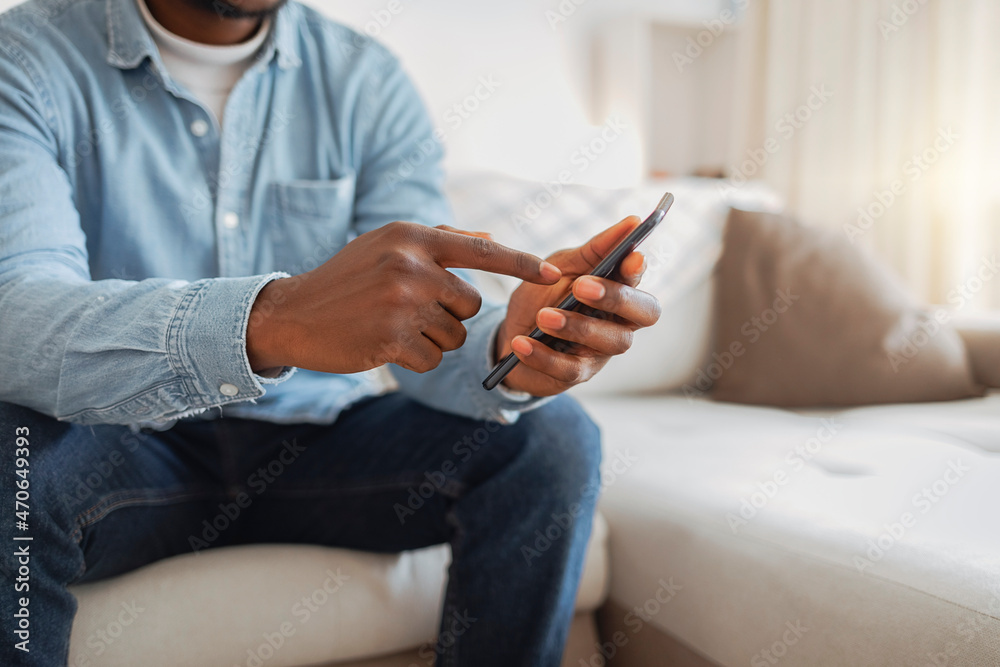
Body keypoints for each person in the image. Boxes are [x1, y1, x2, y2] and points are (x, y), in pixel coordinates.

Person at [0, 0, 661, 664]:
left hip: (314, 445)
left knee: (551, 438)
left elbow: (421, 325)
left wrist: (508, 349)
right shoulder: (26, 57)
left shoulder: (364, 80)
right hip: (118, 443)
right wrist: (272, 319)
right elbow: (18, 314)